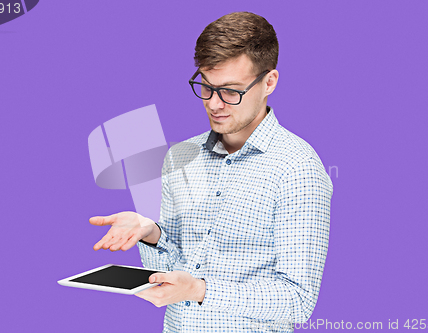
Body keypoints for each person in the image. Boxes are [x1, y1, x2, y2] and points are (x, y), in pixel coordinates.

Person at [89, 11, 333, 333]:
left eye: (231, 91)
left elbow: (297, 299)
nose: (214, 104)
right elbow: (173, 271)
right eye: (206, 86)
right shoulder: (180, 157)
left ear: (269, 82)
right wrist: (150, 233)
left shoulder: (297, 168)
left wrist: (200, 291)